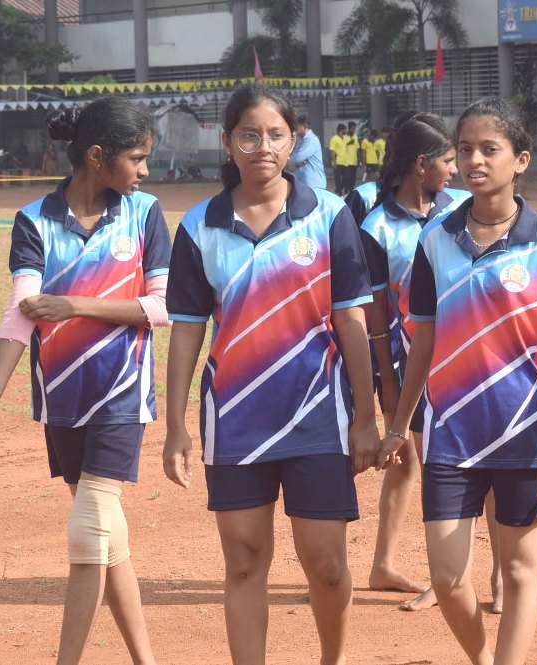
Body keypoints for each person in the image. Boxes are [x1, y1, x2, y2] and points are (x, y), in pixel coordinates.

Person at [162, 83, 382, 665]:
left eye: (275, 134)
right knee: (242, 564)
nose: (263, 146)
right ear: (227, 142)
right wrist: (176, 426)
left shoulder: (330, 214)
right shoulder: (199, 226)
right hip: (235, 421)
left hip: (318, 418)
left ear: (294, 140)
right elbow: (186, 329)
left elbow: (351, 319)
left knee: (327, 567)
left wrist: (365, 416)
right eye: (249, 135)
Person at [0, 98, 168, 665]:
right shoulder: (33, 219)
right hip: (61, 400)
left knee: (87, 534)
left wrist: (75, 304)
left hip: (122, 395)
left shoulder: (145, 213)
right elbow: (21, 313)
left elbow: (161, 306)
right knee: (106, 537)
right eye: (137, 158)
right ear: (98, 157)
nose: (145, 170)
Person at [379, 96, 537, 665]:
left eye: (490, 149)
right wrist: (400, 426)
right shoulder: (434, 241)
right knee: (447, 578)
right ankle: (482, 657)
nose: (474, 161)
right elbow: (422, 343)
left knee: (519, 569)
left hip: (527, 434)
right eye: (465, 149)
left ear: (521, 159)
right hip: (451, 436)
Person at [359, 112, 473, 610]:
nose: (456, 168)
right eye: (448, 159)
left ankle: (458, 576)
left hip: (469, 360)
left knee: (455, 463)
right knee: (421, 463)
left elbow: (520, 246)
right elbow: (376, 316)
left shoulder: (463, 206)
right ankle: (414, 572)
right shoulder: (377, 226)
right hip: (413, 365)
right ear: (421, 164)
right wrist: (387, 384)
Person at [289, 115, 326, 189]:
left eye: (297, 128)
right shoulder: (301, 140)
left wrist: (292, 161)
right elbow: (295, 158)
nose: (295, 131)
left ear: (304, 126)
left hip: (314, 183)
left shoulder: (311, 140)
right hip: (304, 182)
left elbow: (297, 158)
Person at [329, 123, 348, 195]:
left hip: (345, 162)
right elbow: (332, 152)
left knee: (346, 178)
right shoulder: (334, 139)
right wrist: (334, 162)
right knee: (338, 179)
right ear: (341, 130)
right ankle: (339, 192)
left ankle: (337, 190)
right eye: (344, 130)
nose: (345, 131)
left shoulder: (345, 138)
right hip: (337, 162)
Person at [345, 121, 362, 190]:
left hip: (354, 161)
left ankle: (351, 190)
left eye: (354, 128)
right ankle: (346, 190)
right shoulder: (344, 136)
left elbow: (358, 149)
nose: (353, 130)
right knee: (347, 177)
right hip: (347, 161)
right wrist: (348, 143)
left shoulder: (355, 136)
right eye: (352, 128)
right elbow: (342, 147)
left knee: (353, 178)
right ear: (349, 128)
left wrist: (359, 160)